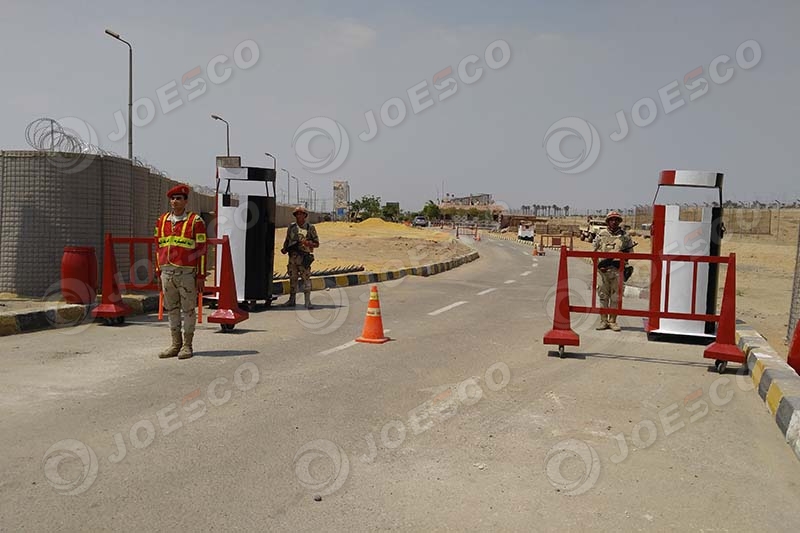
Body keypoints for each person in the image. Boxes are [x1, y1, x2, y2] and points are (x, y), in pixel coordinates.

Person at [154, 184, 207, 359]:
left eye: (179, 198)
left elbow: (202, 250)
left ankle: (187, 345)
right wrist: (157, 270)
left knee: (188, 309)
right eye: (173, 198)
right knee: (172, 309)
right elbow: (157, 247)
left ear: (185, 201)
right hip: (166, 272)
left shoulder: (195, 222)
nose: (175, 202)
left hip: (186, 273)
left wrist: (200, 275)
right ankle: (175, 344)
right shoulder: (162, 221)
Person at [593, 210, 634, 332]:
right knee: (602, 296)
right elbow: (593, 252)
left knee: (615, 297)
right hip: (602, 270)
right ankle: (603, 321)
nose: (614, 222)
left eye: (616, 220)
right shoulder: (601, 235)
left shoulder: (625, 237)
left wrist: (622, 257)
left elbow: (630, 255)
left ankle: (613, 321)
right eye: (611, 219)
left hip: (617, 270)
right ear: (608, 221)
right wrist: (599, 265)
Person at [281, 205, 320, 309]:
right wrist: (285, 248)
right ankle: (291, 300)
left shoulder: (310, 228)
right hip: (292, 257)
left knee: (306, 279)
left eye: (301, 214)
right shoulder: (292, 227)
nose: (299, 216)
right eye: (297, 214)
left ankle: (307, 302)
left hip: (304, 258)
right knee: (292, 278)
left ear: (305, 215)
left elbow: (317, 243)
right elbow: (287, 240)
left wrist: (307, 243)